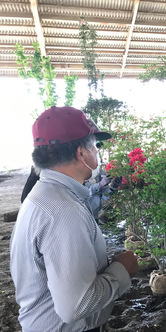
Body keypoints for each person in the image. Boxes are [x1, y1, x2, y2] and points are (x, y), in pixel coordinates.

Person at [10, 106, 139, 332]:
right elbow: (75, 307)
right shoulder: (62, 211)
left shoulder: (43, 196)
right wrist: (122, 270)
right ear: (81, 153)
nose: (97, 152)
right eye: (95, 146)